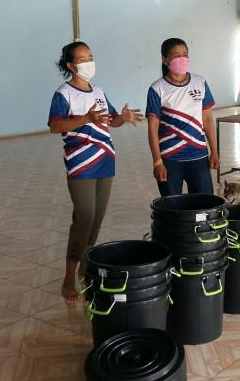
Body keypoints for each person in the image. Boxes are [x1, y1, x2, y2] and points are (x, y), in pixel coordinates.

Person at [48, 41, 144, 301]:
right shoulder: (63, 94)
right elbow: (55, 126)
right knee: (85, 216)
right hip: (80, 163)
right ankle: (68, 277)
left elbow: (111, 120)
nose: (89, 62)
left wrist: (123, 117)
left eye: (90, 56)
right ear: (71, 66)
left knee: (97, 217)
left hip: (105, 160)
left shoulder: (98, 91)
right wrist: (85, 119)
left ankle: (84, 266)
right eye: (82, 59)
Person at [146, 38, 220, 196]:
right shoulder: (157, 89)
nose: (182, 59)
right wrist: (158, 162)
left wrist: (214, 151)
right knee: (172, 206)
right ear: (165, 60)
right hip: (170, 159)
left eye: (185, 55)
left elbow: (207, 119)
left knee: (204, 204)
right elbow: (152, 128)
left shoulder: (200, 82)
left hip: (198, 156)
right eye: (176, 56)